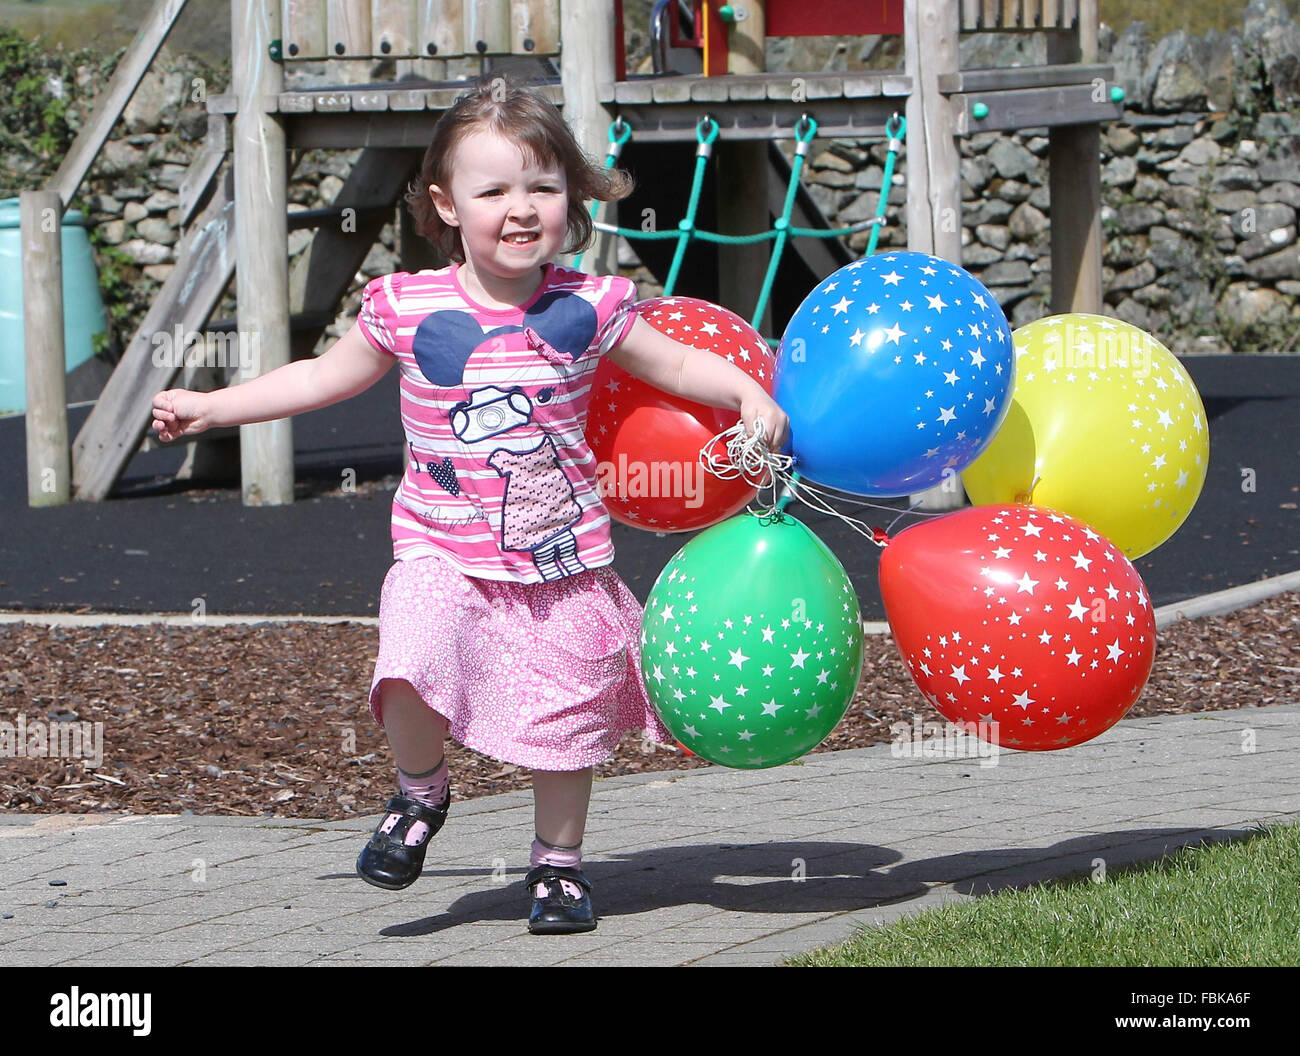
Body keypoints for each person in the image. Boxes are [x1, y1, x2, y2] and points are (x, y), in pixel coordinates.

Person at [151, 75, 789, 935]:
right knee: (411, 654)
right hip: (441, 554)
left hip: (559, 563)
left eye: (543, 187)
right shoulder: (407, 308)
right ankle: (420, 793)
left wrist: (748, 393)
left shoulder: (589, 305)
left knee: (564, 725)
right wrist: (212, 406)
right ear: (448, 205)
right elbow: (317, 379)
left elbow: (673, 366)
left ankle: (557, 869)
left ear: (571, 196)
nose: (521, 209)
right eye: (494, 191)